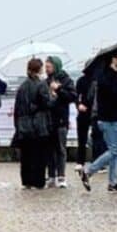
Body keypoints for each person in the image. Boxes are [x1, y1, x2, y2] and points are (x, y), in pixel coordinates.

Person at [77, 50, 117, 193]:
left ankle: (113, 182)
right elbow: (113, 97)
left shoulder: (116, 75)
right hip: (109, 119)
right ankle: (88, 171)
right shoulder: (106, 77)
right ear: (113, 59)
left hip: (116, 118)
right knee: (114, 151)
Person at [12, 58, 51, 189]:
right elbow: (47, 104)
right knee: (39, 155)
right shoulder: (41, 85)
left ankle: (26, 181)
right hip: (38, 125)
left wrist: (17, 126)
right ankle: (38, 181)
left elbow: (17, 109)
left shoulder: (22, 87)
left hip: (23, 125)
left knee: (26, 156)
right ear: (39, 70)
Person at [44, 56, 74, 188]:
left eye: (49, 66)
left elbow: (72, 96)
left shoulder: (66, 80)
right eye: (45, 66)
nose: (46, 69)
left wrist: (59, 90)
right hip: (48, 120)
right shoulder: (45, 82)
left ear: (55, 66)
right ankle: (51, 176)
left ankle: (61, 176)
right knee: (49, 149)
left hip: (61, 119)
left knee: (60, 149)